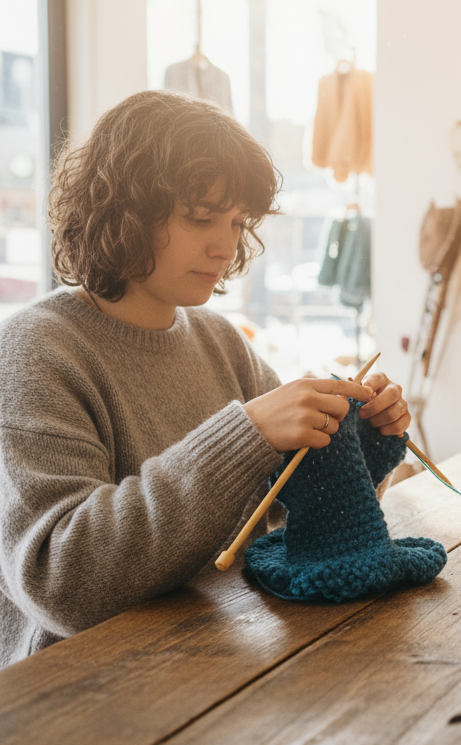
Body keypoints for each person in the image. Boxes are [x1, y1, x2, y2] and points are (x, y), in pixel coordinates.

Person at [0, 90, 412, 668]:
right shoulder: (35, 350)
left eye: (237, 222)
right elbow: (63, 583)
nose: (226, 246)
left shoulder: (219, 342)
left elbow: (284, 532)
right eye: (199, 218)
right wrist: (244, 437)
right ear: (121, 210)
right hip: (80, 690)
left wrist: (355, 448)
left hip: (214, 659)